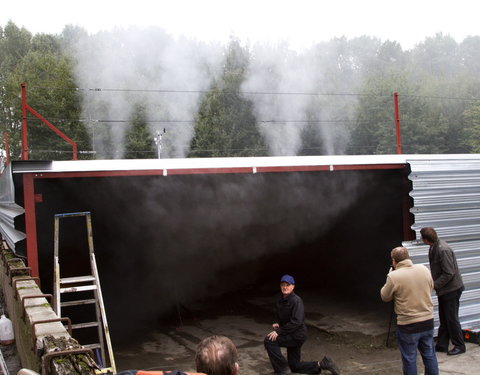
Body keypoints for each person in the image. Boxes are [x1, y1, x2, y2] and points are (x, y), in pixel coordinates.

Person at [264, 274, 340, 375]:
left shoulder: (296, 301)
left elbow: (297, 322)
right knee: (294, 366)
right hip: (290, 333)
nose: (285, 287)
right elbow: (277, 314)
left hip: (297, 335)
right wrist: (276, 322)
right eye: (283, 285)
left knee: (269, 341)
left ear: (293, 286)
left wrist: (279, 332)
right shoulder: (280, 300)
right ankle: (323, 364)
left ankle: (282, 370)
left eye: (288, 285)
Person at [380, 246, 439, 375]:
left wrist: (389, 275)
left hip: (408, 325)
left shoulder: (393, 276)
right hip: (427, 320)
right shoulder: (424, 269)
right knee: (430, 355)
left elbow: (385, 296)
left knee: (410, 359)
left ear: (394, 261)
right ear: (409, 257)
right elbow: (431, 286)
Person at [420, 227, 466, 355]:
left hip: (452, 289)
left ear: (426, 239)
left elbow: (449, 273)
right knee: (444, 318)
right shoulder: (433, 247)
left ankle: (459, 345)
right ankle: (442, 345)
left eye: (422, 238)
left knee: (451, 319)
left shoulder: (443, 250)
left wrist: (434, 285)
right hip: (445, 290)